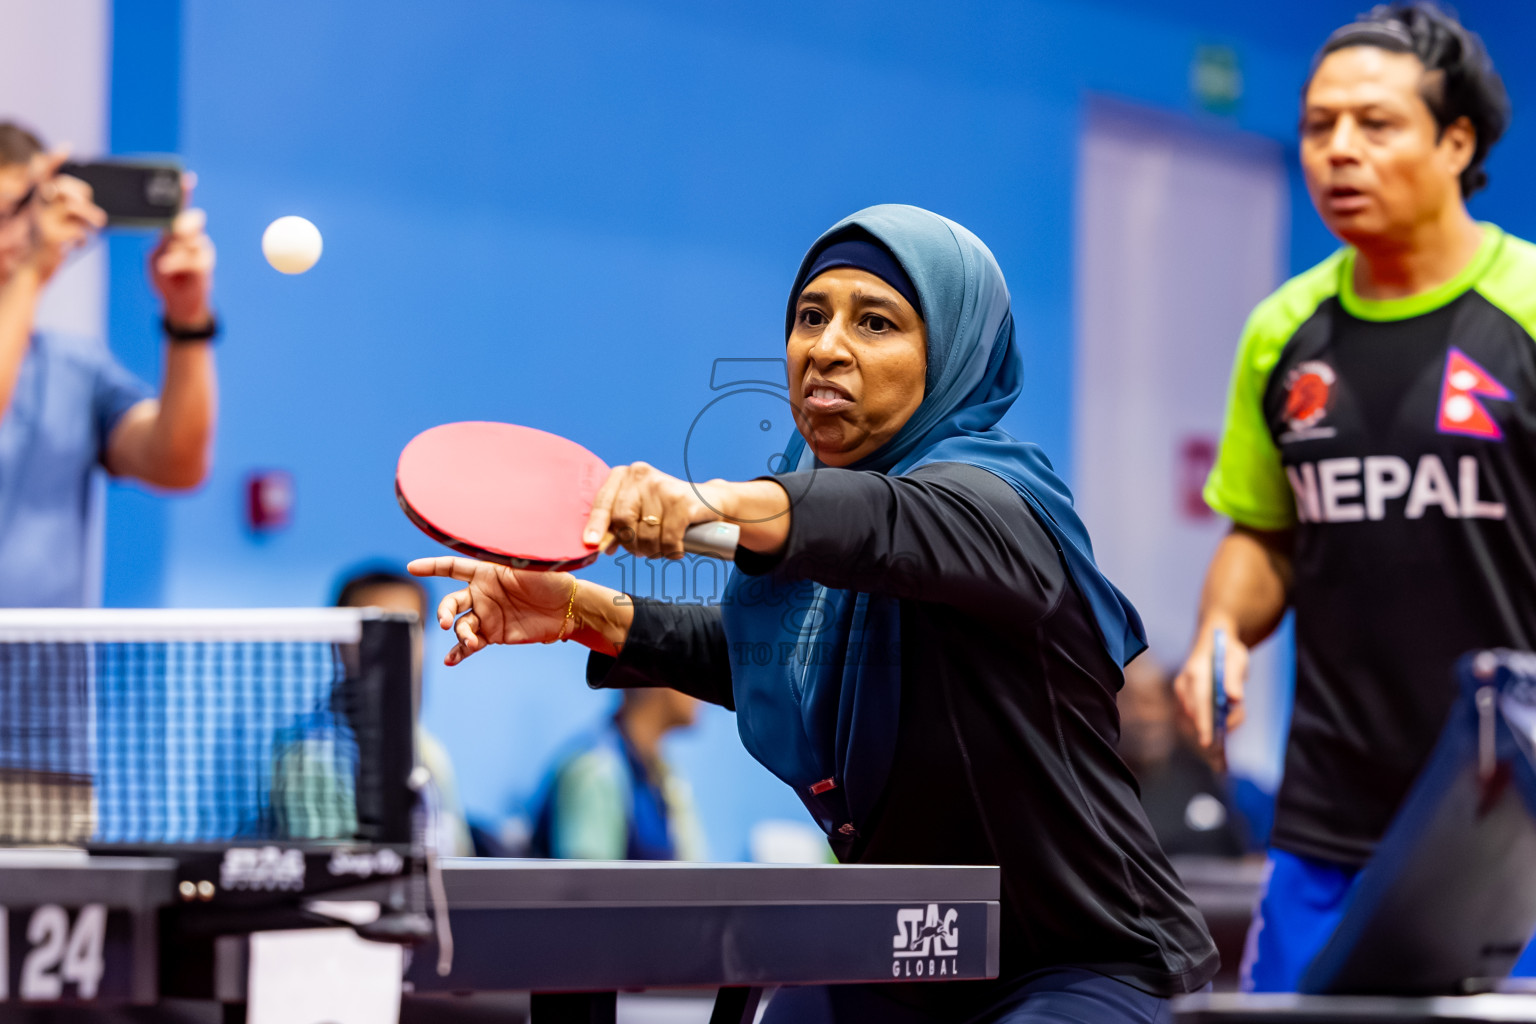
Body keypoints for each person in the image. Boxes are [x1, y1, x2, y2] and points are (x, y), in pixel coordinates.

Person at [412, 204, 1218, 1022]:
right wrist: (575, 608)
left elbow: (873, 522)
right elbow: (768, 655)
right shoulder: (817, 537)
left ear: (951, 355)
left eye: (876, 323)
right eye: (810, 316)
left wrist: (702, 505)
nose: (826, 348)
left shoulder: (997, 507)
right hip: (898, 951)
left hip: (1073, 965)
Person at [1174, 2, 1533, 991]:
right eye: (1318, 124)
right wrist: (1219, 633)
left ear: (1457, 141)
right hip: (1330, 820)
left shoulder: (1528, 310)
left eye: (1375, 125)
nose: (1338, 151)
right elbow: (1266, 535)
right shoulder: (1282, 330)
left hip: (1521, 825)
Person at [0, 121, 217, 607]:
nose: (21, 230)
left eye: (28, 207)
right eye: (6, 212)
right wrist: (34, 269)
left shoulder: (74, 367)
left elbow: (178, 464)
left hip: (43, 684)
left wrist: (187, 321)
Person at [334, 566, 474, 857]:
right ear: (340, 642)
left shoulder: (432, 753)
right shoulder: (309, 756)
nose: (393, 644)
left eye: (412, 628)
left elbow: (461, 869)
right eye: (376, 628)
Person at [529, 688, 707, 861]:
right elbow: (588, 886)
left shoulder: (667, 776)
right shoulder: (596, 771)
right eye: (696, 670)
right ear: (655, 681)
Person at [1118, 657, 1249, 859]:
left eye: (1154, 701)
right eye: (1131, 702)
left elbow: (1238, 856)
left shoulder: (1198, 774)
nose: (1147, 716)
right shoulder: (1095, 787)